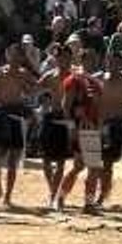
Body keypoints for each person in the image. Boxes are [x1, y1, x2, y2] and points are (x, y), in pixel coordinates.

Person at [0, 43, 36, 207]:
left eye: (17, 55)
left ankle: (7, 195)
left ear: (21, 58)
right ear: (7, 55)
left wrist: (25, 99)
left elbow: (32, 91)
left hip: (16, 116)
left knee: (13, 160)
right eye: (11, 54)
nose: (14, 58)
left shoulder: (24, 74)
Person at [55, 49, 105, 214]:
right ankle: (63, 199)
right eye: (89, 58)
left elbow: (98, 108)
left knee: (87, 167)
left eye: (94, 59)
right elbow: (66, 105)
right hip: (81, 127)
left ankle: (75, 201)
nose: (92, 61)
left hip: (91, 128)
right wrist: (71, 128)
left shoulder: (96, 82)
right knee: (86, 166)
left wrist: (99, 127)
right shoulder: (75, 79)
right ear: (82, 60)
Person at [96, 55, 122, 207]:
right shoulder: (99, 78)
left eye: (115, 62)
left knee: (107, 164)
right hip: (99, 125)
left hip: (117, 125)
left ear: (121, 64)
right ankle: (100, 193)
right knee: (95, 164)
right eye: (109, 62)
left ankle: (102, 196)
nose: (112, 65)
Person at [36, 44, 75, 208]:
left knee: (60, 161)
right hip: (50, 117)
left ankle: (55, 193)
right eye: (60, 57)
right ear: (56, 58)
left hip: (67, 119)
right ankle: (53, 190)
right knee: (45, 159)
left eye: (66, 57)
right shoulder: (49, 76)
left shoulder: (75, 77)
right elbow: (35, 89)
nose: (63, 60)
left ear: (70, 58)